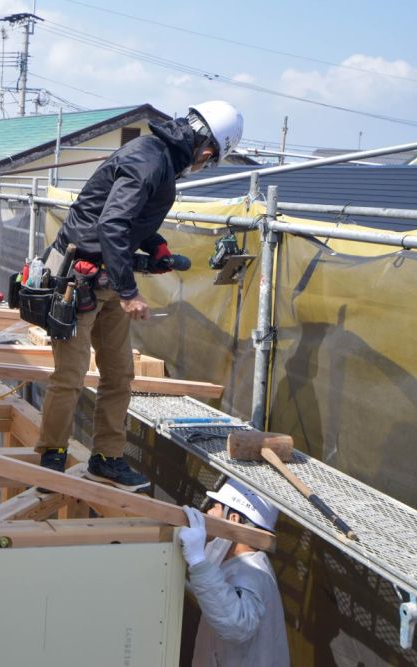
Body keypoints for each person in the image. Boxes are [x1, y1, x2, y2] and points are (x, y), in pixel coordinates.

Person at [35, 101, 244, 491]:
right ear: (208, 151)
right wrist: (131, 294)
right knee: (71, 376)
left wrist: (156, 243)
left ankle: (106, 458)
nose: (204, 165)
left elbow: (130, 217)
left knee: (119, 375)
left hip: (106, 279)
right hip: (76, 280)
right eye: (209, 162)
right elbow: (112, 223)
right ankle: (52, 459)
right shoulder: (150, 161)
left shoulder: (159, 158)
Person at [180, 478, 289, 666]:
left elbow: (236, 625)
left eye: (216, 508)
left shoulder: (251, 575)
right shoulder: (241, 565)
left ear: (234, 519)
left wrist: (198, 560)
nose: (209, 514)